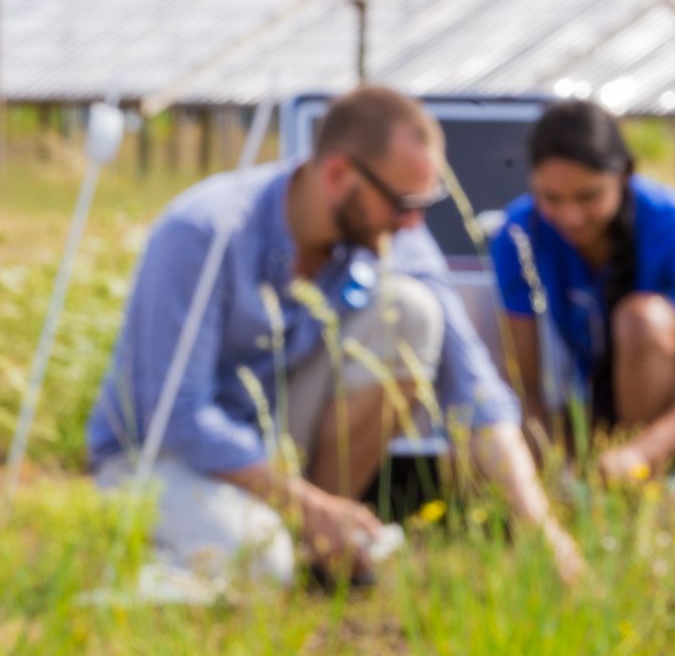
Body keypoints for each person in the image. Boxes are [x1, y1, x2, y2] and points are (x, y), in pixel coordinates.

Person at [87, 86, 582, 587]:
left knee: (412, 313)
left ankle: (316, 540)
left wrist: (543, 532)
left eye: (425, 204)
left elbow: (475, 389)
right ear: (338, 173)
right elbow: (176, 415)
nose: (414, 223)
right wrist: (305, 502)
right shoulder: (202, 233)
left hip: (270, 447)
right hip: (156, 453)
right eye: (403, 203)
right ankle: (225, 549)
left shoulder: (395, 234)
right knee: (260, 565)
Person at [490, 99, 675, 484]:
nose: (570, 217)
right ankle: (632, 482)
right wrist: (543, 465)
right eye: (551, 198)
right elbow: (525, 387)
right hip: (614, 403)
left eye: (588, 196)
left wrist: (640, 453)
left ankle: (641, 481)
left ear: (624, 175)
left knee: (641, 320)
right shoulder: (518, 232)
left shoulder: (670, 218)